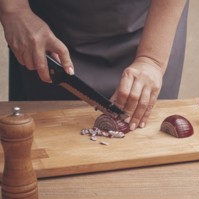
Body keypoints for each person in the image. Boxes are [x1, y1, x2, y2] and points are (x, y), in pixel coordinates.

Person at [0, 0, 188, 131]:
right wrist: (13, 10)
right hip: (47, 22)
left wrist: (151, 59)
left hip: (152, 21)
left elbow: (152, 58)